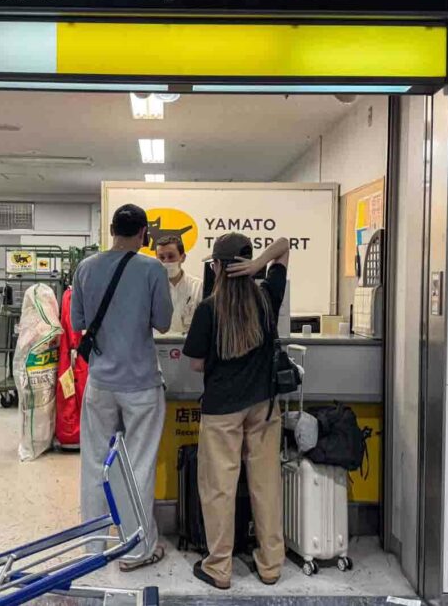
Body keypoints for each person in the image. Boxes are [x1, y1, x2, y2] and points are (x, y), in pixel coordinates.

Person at [183, 233, 291, 590]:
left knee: (219, 489)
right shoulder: (267, 300)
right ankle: (271, 565)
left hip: (222, 411)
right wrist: (260, 265)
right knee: (266, 484)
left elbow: (196, 364)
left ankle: (219, 567)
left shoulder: (208, 310)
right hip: (263, 405)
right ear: (246, 267)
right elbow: (284, 244)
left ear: (216, 267)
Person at [70, 203, 173, 571]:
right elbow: (163, 322)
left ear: (111, 229)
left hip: (100, 382)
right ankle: (136, 550)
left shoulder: (86, 268)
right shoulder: (152, 269)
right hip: (142, 384)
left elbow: (78, 321)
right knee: (138, 466)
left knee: (94, 463)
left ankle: (92, 550)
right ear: (144, 233)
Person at [154, 234, 204, 334]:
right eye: (161, 257)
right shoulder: (150, 288)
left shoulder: (198, 287)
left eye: (171, 256)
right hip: (158, 346)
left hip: (189, 346)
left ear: (183, 257)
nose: (166, 261)